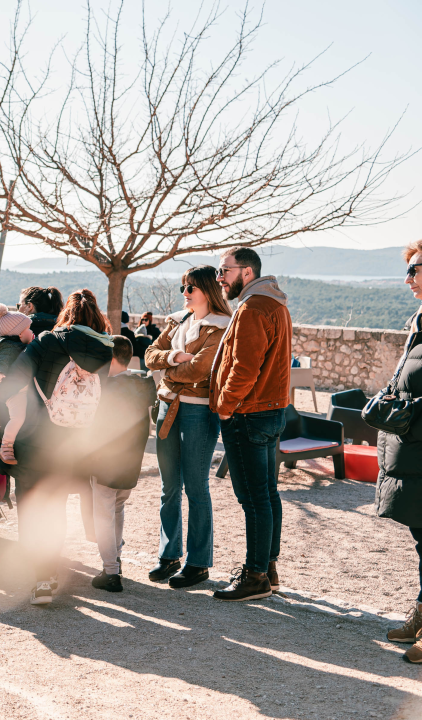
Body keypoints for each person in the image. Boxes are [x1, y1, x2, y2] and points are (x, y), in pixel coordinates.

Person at [0, 289, 114, 606]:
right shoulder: (106, 349)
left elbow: (14, 379)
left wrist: (1, 419)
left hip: (35, 439)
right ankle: (49, 569)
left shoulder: (48, 341)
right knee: (56, 506)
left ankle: (41, 576)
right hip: (73, 444)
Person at [209, 247, 292, 602]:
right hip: (270, 410)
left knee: (254, 498)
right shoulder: (275, 303)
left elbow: (245, 366)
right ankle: (267, 569)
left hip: (248, 413)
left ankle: (255, 575)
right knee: (268, 494)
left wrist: (225, 406)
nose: (219, 278)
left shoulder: (253, 307)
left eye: (223, 270)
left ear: (245, 272)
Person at [144, 266, 232, 588]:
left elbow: (199, 370)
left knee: (196, 487)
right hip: (168, 407)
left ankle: (198, 563)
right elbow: (149, 355)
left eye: (190, 288)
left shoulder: (221, 328)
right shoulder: (178, 320)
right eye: (184, 287)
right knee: (169, 488)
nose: (184, 293)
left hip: (198, 413)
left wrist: (170, 366)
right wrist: (175, 357)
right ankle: (169, 556)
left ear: (207, 291)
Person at [79, 337, 156, 592]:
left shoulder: (105, 388)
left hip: (106, 461)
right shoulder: (142, 384)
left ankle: (110, 572)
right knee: (118, 508)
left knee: (103, 514)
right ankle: (117, 561)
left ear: (110, 358)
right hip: (131, 460)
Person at [378, 239, 422, 662]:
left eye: (416, 268)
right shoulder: (419, 319)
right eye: (407, 269)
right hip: (414, 447)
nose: (407, 278)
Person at [0, 304, 35, 463]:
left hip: (21, 390)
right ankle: (6, 448)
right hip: (14, 393)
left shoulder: (19, 345)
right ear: (19, 333)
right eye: (28, 329)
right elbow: (0, 362)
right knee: (18, 418)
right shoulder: (10, 348)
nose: (32, 332)